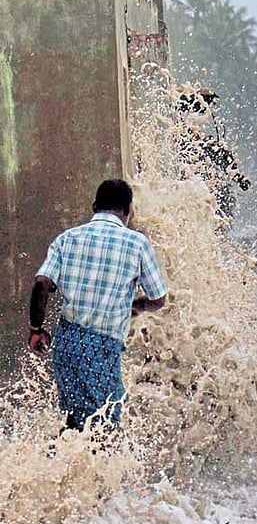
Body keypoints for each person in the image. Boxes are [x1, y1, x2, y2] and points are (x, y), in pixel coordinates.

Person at [27, 179, 168, 432]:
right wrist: (137, 307)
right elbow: (158, 298)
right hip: (103, 348)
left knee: (76, 421)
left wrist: (36, 329)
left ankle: (54, 466)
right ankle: (83, 470)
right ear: (127, 211)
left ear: (94, 206)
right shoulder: (136, 244)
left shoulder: (66, 239)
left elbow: (41, 285)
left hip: (67, 346)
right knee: (105, 429)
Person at [176, 88, 251, 220]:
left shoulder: (180, 125)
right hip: (194, 187)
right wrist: (239, 178)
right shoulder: (194, 130)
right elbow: (220, 154)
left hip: (187, 186)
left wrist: (238, 177)